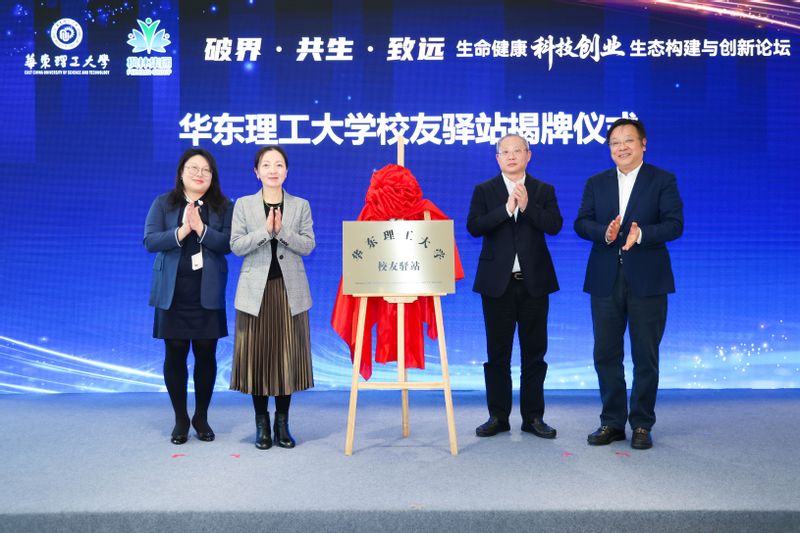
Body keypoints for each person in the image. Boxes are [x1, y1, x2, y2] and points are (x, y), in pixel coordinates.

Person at [574, 118, 683, 450]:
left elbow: (675, 224)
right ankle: (611, 422)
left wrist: (643, 234)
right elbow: (581, 222)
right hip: (605, 278)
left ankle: (642, 424)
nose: (621, 147)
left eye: (628, 141)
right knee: (605, 353)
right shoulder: (596, 182)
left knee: (645, 356)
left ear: (643, 144)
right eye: (615, 143)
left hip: (648, 279)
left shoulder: (662, 180)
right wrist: (604, 233)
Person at [467, 133, 562, 439]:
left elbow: (554, 225)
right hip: (497, 285)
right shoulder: (485, 190)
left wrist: (528, 206)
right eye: (505, 152)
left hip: (534, 284)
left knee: (534, 354)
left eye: (517, 151)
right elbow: (474, 226)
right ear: (497, 158)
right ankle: (498, 416)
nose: (511, 156)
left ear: (528, 155)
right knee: (498, 354)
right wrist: (506, 210)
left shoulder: (543, 189)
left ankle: (533, 417)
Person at [144, 148, 233, 445]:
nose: (199, 174)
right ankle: (181, 418)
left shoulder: (223, 206)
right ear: (181, 172)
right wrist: (182, 231)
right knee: (175, 354)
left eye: (206, 170)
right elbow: (150, 241)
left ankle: (201, 417)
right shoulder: (163, 203)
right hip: (173, 293)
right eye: (193, 168)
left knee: (206, 354)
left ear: (212, 176)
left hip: (207, 292)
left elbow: (228, 244)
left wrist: (202, 229)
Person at [229, 146, 315, 450]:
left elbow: (308, 245)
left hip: (289, 292)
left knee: (285, 358)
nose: (273, 170)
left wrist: (282, 232)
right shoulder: (244, 204)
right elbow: (236, 245)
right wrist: (266, 231)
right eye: (266, 165)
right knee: (258, 359)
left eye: (279, 164)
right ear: (256, 172)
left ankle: (282, 423)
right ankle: (261, 423)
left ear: (286, 171)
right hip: (255, 294)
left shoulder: (300, 205)